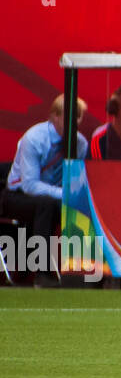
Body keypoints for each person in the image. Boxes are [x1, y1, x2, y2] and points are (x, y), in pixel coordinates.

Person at [3, 94, 88, 283]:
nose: (74, 121)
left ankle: (83, 274)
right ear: (54, 117)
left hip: (52, 197)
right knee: (46, 205)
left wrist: (73, 197)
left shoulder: (80, 144)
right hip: (17, 195)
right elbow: (30, 185)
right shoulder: (34, 138)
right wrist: (64, 195)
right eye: (69, 115)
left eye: (78, 116)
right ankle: (42, 272)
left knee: (80, 207)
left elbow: (76, 181)